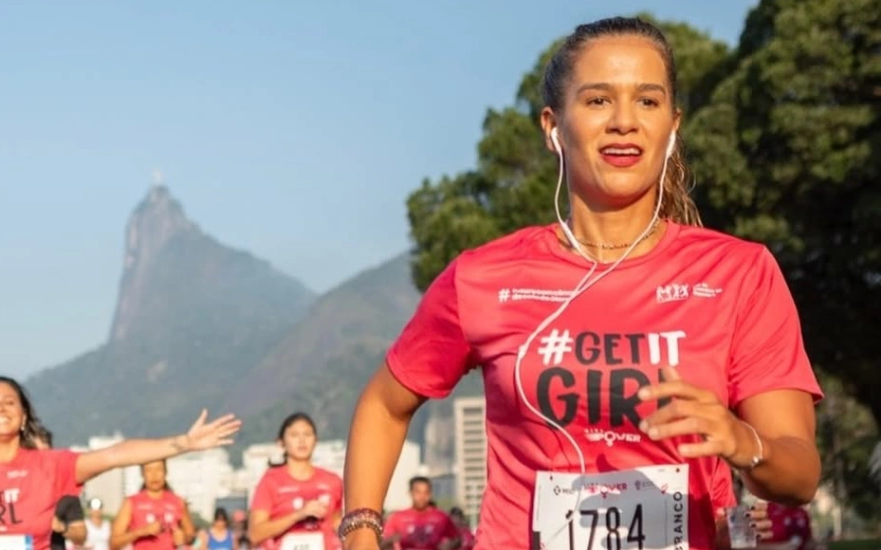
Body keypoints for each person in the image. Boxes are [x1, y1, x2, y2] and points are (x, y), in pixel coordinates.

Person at [339, 16, 822, 550]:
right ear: (553, 127)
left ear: (673, 125)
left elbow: (799, 476)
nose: (624, 122)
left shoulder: (738, 273)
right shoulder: (483, 276)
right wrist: (360, 531)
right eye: (597, 101)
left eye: (647, 101)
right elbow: (384, 404)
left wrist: (740, 440)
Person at [0, 375, 240, 550]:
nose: (0, 408)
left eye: (10, 402)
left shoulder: (50, 465)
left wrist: (183, 443)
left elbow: (116, 454)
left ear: (24, 418)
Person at [247, 413, 343, 550]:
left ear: (316, 440)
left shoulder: (333, 481)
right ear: (281, 442)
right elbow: (255, 534)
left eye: (307, 434)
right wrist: (298, 515)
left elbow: (337, 523)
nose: (302, 440)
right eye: (294, 435)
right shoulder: (270, 481)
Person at [110, 459, 196, 550]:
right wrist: (141, 532)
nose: (154, 475)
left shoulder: (178, 501)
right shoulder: (131, 502)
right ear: (142, 474)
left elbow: (192, 537)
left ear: (166, 472)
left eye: (159, 469)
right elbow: (113, 544)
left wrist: (184, 538)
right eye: (149, 470)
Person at [33, 427, 87, 550]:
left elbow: (81, 536)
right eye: (35, 454)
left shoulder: (66, 491)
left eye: (45, 455)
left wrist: (61, 527)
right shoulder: (13, 488)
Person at [379, 478, 458, 550]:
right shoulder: (398, 517)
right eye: (418, 492)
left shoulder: (441, 517)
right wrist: (391, 540)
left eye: (426, 492)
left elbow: (457, 539)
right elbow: (382, 543)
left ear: (430, 494)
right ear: (411, 493)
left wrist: (449, 546)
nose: (422, 496)